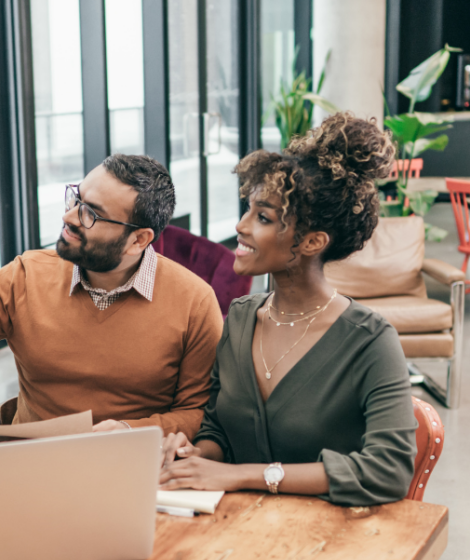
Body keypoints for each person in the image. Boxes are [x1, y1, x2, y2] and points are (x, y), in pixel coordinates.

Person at [159, 112, 417, 506]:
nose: (242, 226)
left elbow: (389, 470)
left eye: (263, 217)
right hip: (234, 528)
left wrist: (242, 475)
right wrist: (198, 456)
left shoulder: (370, 341)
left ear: (312, 242)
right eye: (248, 209)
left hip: (326, 542)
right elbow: (218, 429)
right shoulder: (242, 317)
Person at [0, 155, 224, 439]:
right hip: (30, 461)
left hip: (128, 465)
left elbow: (199, 413)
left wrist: (130, 430)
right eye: (76, 198)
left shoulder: (194, 302)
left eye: (91, 213)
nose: (70, 217)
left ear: (138, 240)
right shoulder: (26, 276)